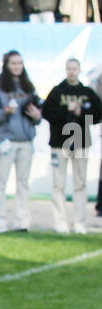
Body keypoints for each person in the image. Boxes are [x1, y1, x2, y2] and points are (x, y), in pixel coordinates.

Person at [0, 51, 43, 233]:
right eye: (13, 63)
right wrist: (4, 112)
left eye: (20, 63)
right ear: (6, 65)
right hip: (5, 140)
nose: (17, 66)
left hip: (26, 140)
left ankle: (21, 221)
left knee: (23, 183)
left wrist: (37, 116)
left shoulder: (28, 87)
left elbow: (37, 116)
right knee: (1, 182)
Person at [41, 58, 102, 235]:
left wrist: (80, 112)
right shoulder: (57, 91)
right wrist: (66, 109)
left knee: (80, 184)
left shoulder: (87, 92)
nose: (72, 72)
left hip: (81, 141)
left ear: (79, 70)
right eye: (69, 69)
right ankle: (60, 222)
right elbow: (47, 113)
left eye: (74, 69)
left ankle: (80, 223)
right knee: (58, 184)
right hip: (60, 143)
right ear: (65, 70)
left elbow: (97, 115)